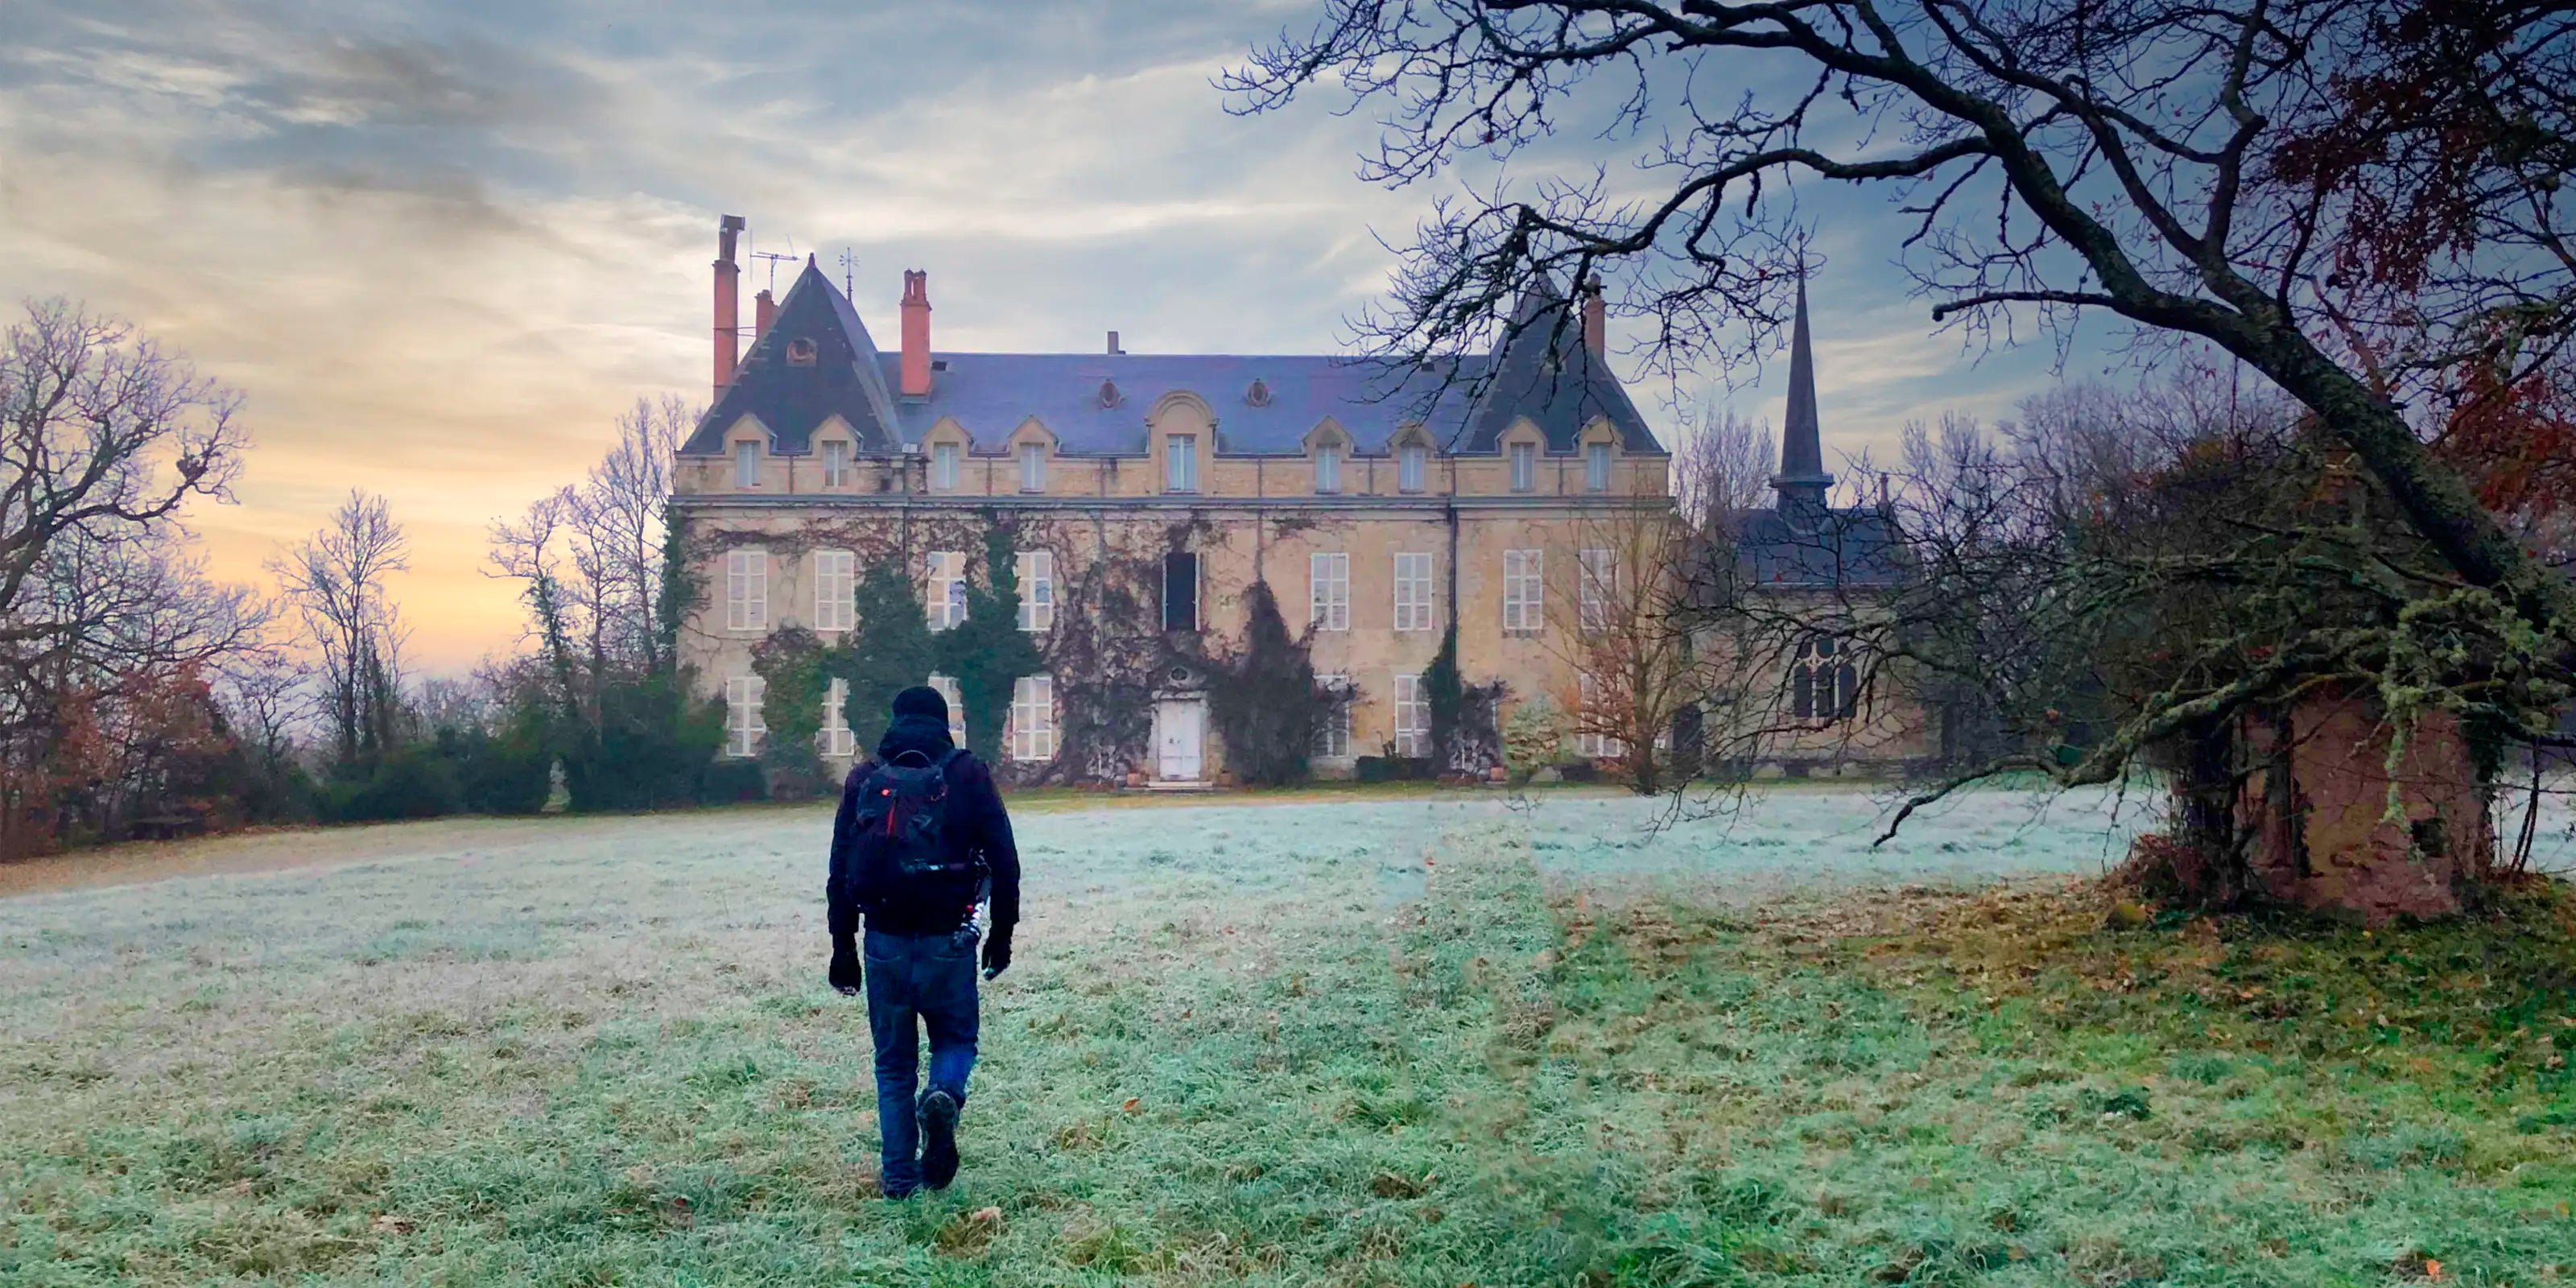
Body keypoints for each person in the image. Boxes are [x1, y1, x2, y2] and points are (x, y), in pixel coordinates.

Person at [826, 684, 1019, 1199]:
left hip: (883, 942)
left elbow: (840, 869)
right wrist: (1001, 935)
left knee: (893, 1066)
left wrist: (842, 948)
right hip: (948, 942)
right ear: (943, 722)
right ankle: (945, 1097)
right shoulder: (966, 773)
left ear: (895, 723)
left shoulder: (865, 778)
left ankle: (898, 1180)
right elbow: (1005, 860)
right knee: (955, 1040)